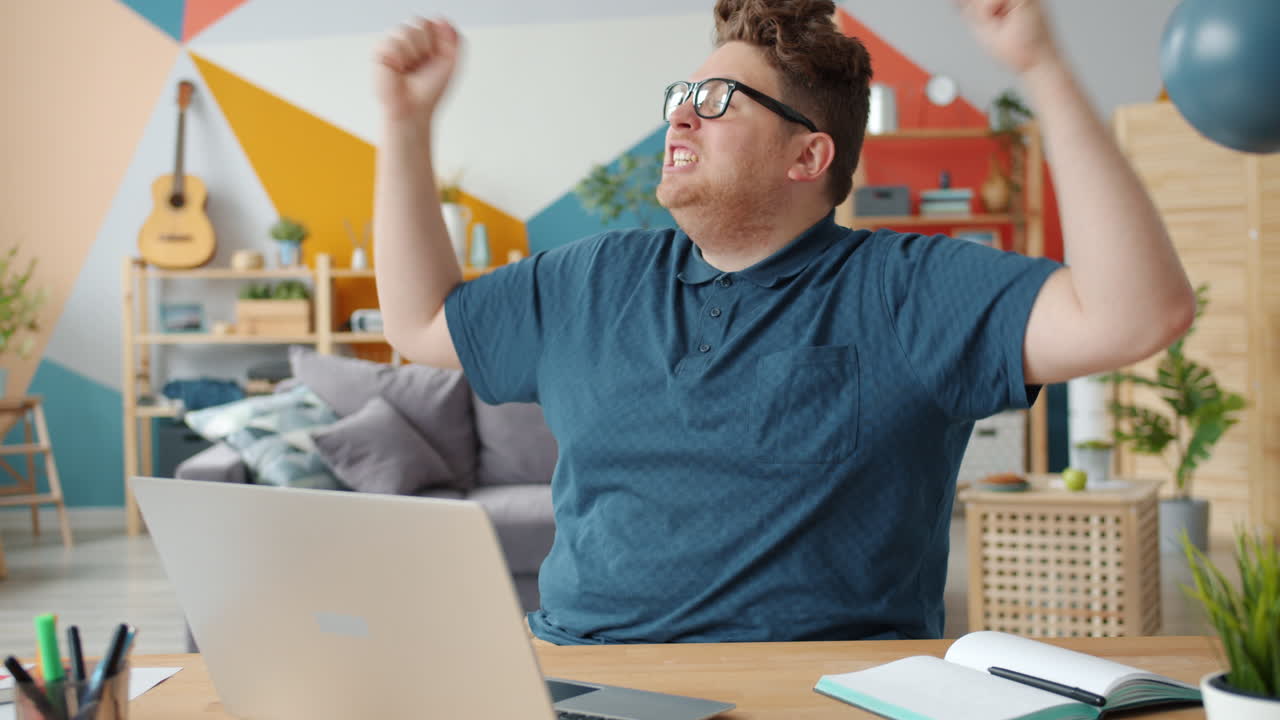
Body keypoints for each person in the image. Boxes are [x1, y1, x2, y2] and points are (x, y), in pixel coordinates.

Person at [372, 0, 1194, 645]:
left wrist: (1042, 68)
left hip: (814, 691)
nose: (682, 118)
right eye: (683, 96)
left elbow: (1137, 315)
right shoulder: (590, 277)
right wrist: (404, 125)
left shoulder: (906, 288)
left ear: (809, 157)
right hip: (581, 675)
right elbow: (418, 325)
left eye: (719, 101)